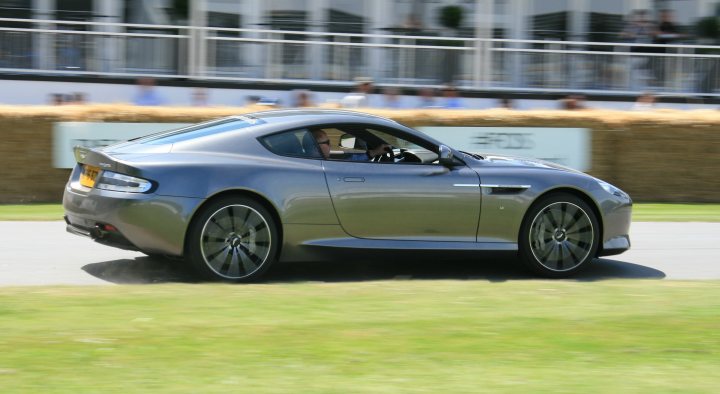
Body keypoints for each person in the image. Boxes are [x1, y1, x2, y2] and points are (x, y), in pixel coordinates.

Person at [311, 130, 390, 161]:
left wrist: (373, 153)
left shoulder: (310, 160)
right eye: (327, 142)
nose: (330, 145)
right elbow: (348, 165)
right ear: (316, 146)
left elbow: (348, 160)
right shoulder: (319, 163)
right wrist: (374, 152)